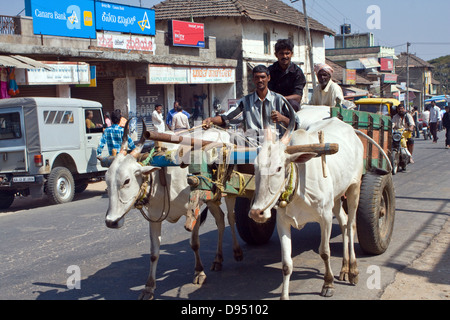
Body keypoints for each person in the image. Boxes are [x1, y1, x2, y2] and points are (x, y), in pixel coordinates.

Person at [202, 64, 300, 137]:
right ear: (253, 80)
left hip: (276, 146)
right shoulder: (245, 102)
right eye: (257, 77)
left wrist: (282, 118)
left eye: (263, 77)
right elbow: (228, 117)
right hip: (253, 145)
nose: (260, 80)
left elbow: (295, 125)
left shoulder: (280, 100)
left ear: (268, 78)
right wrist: (211, 120)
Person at [268, 39, 306, 112]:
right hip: (272, 103)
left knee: (293, 104)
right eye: (281, 53)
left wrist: (281, 99)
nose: (284, 56)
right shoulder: (270, 71)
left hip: (290, 105)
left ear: (291, 54)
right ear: (276, 55)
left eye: (287, 53)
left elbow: (297, 97)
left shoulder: (297, 72)